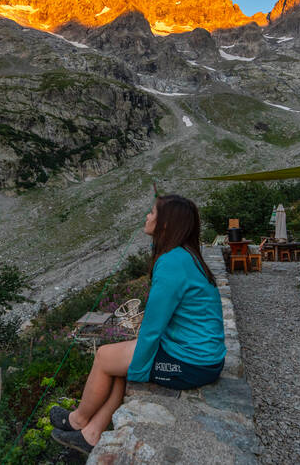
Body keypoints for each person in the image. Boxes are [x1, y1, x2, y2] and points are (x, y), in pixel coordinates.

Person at [50, 194, 227, 455]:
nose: (147, 216)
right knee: (117, 362)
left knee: (103, 357)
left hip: (194, 362)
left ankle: (77, 420)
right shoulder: (186, 255)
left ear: (166, 224)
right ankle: (90, 434)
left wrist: (139, 370)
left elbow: (153, 328)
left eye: (153, 212)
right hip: (199, 353)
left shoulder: (170, 262)